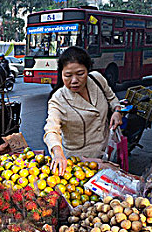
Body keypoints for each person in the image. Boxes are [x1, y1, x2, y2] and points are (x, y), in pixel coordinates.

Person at [44, 46, 123, 176]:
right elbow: (51, 129)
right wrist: (57, 153)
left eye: (80, 74)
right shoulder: (58, 99)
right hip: (80, 163)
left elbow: (111, 97)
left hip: (106, 151)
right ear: (61, 74)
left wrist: (117, 110)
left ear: (88, 70)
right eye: (68, 75)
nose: (74, 81)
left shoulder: (97, 80)